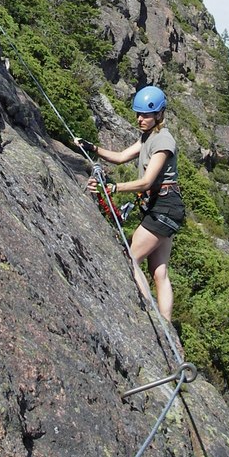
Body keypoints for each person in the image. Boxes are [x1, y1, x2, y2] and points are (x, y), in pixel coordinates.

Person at [75, 85, 185, 322]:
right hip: (165, 207)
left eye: (145, 114)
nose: (140, 119)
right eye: (138, 114)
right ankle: (167, 328)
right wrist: (92, 148)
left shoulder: (163, 141)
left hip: (163, 207)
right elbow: (121, 157)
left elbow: (146, 182)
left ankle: (151, 319)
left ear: (159, 114)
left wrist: (112, 188)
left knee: (131, 259)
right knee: (159, 271)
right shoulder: (148, 137)